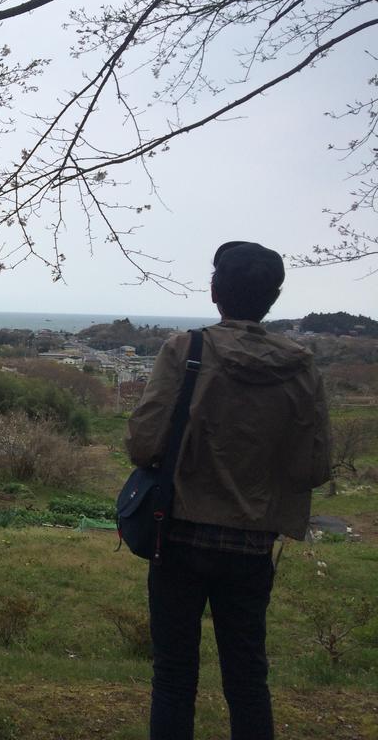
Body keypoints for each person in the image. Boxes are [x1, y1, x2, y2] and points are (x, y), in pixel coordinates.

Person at [126, 241, 330, 740]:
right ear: (274, 297)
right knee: (247, 678)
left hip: (177, 535)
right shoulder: (301, 366)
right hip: (253, 542)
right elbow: (314, 465)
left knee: (173, 677)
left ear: (215, 291)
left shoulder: (186, 350)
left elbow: (143, 444)